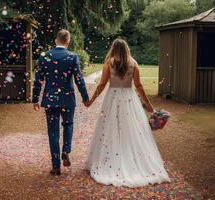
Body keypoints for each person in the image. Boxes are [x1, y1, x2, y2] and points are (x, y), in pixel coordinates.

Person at [85, 38, 170, 187]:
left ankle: (111, 158)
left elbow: (102, 84)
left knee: (109, 129)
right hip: (130, 99)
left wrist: (91, 100)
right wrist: (148, 105)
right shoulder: (133, 63)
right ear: (126, 49)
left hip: (112, 98)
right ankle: (131, 158)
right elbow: (139, 86)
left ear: (113, 49)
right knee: (132, 129)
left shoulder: (109, 63)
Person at [33, 29, 89, 175]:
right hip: (68, 99)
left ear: (56, 40)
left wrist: (35, 99)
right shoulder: (73, 57)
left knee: (53, 131)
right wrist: (85, 97)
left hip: (50, 100)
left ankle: (56, 166)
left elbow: (38, 80)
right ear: (68, 41)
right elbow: (79, 80)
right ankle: (66, 150)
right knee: (68, 124)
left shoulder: (44, 57)